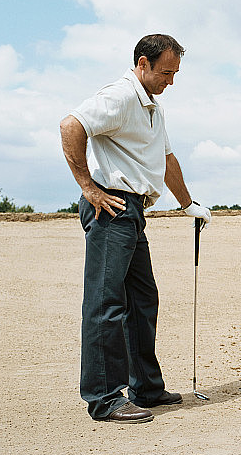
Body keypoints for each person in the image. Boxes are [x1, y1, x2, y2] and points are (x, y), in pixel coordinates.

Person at [60, 34, 211, 424]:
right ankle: (104, 398)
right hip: (110, 207)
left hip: (132, 212)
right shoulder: (121, 96)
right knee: (106, 303)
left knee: (143, 300)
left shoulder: (152, 107)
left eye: (175, 74)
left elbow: (167, 158)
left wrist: (187, 204)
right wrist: (88, 187)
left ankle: (145, 387)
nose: (171, 81)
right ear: (143, 64)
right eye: (166, 73)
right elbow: (71, 126)